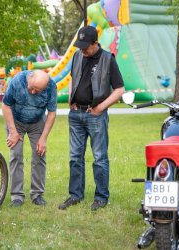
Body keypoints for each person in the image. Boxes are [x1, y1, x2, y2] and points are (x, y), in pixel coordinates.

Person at [58, 25, 125, 211]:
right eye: (80, 46)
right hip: (75, 114)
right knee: (75, 157)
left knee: (99, 158)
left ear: (95, 43)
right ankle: (75, 195)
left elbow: (120, 89)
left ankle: (101, 197)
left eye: (86, 46)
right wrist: (71, 98)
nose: (82, 50)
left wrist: (101, 108)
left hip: (96, 116)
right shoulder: (78, 55)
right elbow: (73, 77)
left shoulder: (108, 59)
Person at [2, 70, 57, 207]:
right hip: (16, 121)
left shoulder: (51, 86)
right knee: (16, 155)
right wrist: (13, 132)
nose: (32, 92)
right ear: (29, 78)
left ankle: (37, 195)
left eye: (37, 90)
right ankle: (17, 196)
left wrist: (43, 138)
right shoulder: (17, 81)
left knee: (39, 154)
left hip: (37, 122)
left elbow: (51, 113)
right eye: (31, 88)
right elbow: (6, 105)